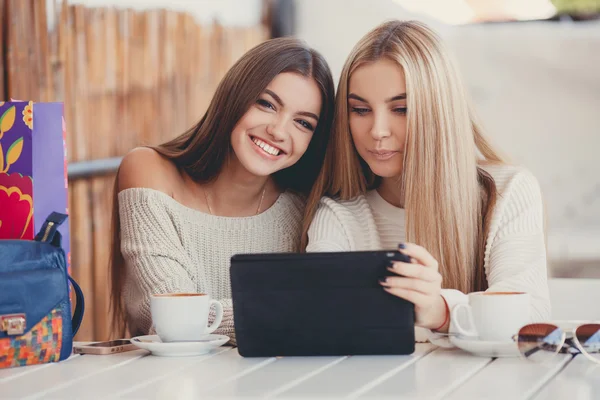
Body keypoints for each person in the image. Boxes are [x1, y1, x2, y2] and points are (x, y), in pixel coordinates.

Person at [302, 20, 550, 343]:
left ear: (438, 111)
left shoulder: (507, 192)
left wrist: (441, 311)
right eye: (360, 110)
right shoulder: (338, 216)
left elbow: (529, 314)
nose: (377, 130)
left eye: (401, 109)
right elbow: (317, 313)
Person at [109, 37, 335, 343]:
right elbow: (173, 317)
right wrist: (296, 311)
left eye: (303, 123)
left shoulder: (304, 208)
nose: (279, 131)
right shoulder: (150, 171)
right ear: (235, 97)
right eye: (267, 104)